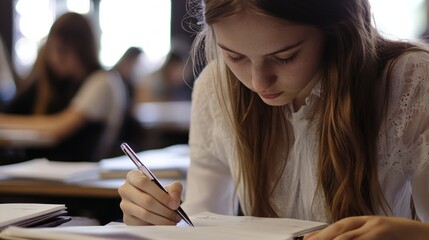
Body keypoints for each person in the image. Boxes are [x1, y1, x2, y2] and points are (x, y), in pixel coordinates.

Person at [118, 0, 429, 239]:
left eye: (285, 57)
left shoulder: (411, 81)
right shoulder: (217, 87)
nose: (258, 82)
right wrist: (155, 220)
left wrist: (416, 234)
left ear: (336, 31)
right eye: (234, 57)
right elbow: (201, 221)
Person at [0, 12, 127, 163]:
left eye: (61, 50)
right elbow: (15, 111)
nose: (54, 58)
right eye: (50, 51)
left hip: (76, 175)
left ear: (81, 48)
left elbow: (57, 128)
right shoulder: (60, 82)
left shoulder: (102, 81)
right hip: (49, 169)